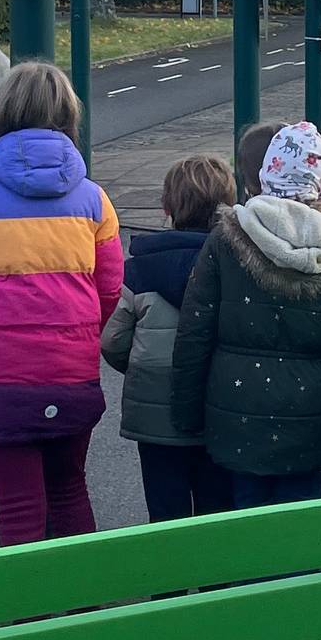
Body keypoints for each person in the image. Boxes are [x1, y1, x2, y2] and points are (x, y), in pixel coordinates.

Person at [0, 64, 126, 545]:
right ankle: (83, 608)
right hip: (71, 369)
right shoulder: (95, 202)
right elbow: (110, 287)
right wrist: (75, 327)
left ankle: (27, 616)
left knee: (18, 507)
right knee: (71, 493)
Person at [170, 122, 321, 508]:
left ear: (266, 173)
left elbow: (195, 332)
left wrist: (188, 412)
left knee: (245, 517)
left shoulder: (228, 237)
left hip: (236, 414)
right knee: (299, 522)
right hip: (309, 417)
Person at [102, 154, 237, 522]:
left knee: (165, 510)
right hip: (220, 407)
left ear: (166, 206)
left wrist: (138, 366)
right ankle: (218, 580)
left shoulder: (140, 270)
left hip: (155, 414)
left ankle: (171, 576)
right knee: (218, 509)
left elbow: (113, 341)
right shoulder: (237, 265)